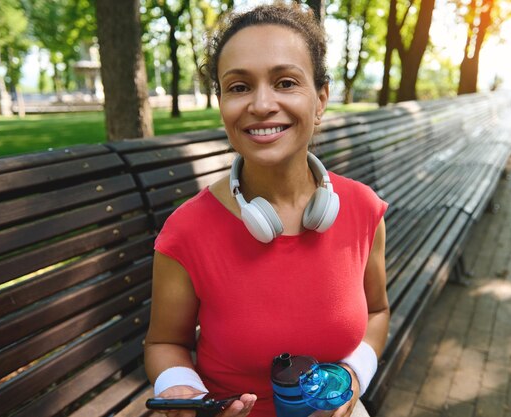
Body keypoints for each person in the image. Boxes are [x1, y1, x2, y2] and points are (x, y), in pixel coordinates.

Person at [144, 2, 390, 416]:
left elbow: (378, 312)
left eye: (286, 82)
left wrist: (352, 376)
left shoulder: (363, 209)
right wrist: (181, 390)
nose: (261, 104)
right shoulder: (185, 231)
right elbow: (164, 342)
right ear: (221, 103)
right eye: (239, 87)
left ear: (321, 99)